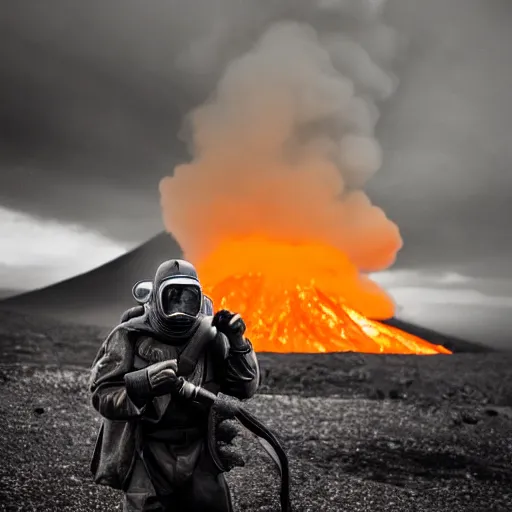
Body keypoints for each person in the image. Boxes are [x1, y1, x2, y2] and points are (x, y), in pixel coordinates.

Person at [89, 259, 260, 512]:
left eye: (188, 298)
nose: (181, 307)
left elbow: (244, 388)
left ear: (199, 298)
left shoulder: (212, 336)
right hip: (146, 451)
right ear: (157, 297)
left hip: (201, 451)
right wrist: (142, 384)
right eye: (173, 297)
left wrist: (237, 343)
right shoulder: (129, 335)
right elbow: (102, 395)